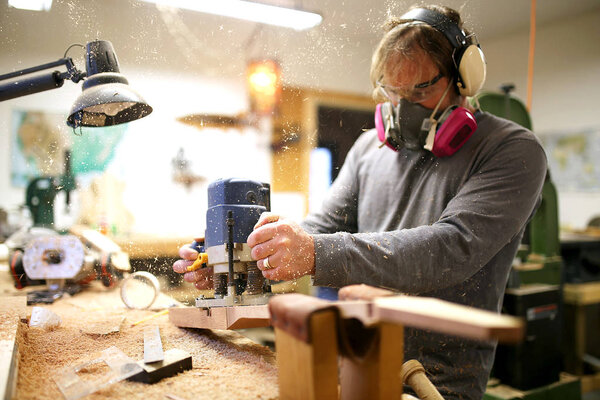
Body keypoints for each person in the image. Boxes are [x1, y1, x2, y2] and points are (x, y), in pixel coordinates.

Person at [173, 5, 547, 400]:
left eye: (420, 90)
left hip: (438, 382)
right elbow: (316, 230)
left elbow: (451, 247)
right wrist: (240, 258)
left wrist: (313, 252)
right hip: (349, 361)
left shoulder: (511, 150)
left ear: (464, 78)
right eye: (393, 91)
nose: (404, 107)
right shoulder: (370, 148)